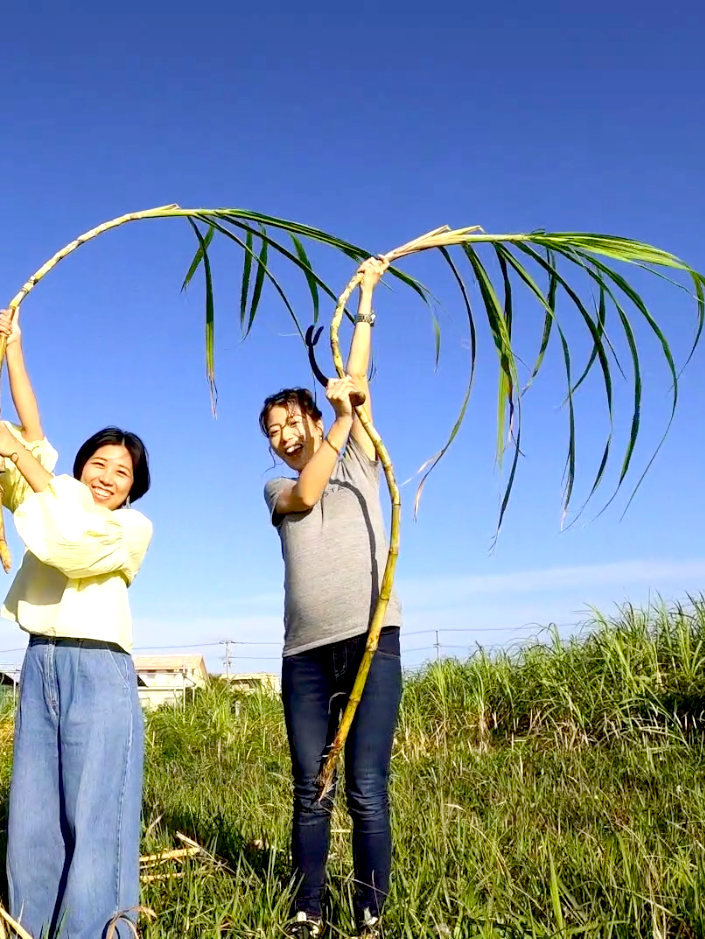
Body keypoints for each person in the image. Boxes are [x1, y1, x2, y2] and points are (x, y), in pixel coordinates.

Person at [0, 308, 154, 939]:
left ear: (133, 488)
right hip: (41, 659)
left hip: (100, 668)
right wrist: (13, 351)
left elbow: (70, 543)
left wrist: (22, 459)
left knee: (97, 811)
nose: (106, 477)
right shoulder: (54, 491)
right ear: (81, 466)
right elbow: (33, 434)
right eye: (99, 464)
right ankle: (33, 926)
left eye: (121, 472)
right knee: (35, 812)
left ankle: (100, 931)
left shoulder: (130, 528)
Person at [259, 259, 403, 939]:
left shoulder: (363, 456)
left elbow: (359, 377)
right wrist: (340, 421)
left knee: (367, 787)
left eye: (293, 420)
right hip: (304, 656)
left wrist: (367, 299)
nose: (285, 435)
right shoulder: (274, 489)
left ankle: (370, 912)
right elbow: (309, 491)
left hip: (373, 642)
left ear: (311, 414)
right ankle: (307, 909)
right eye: (274, 430)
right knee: (311, 787)